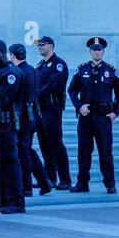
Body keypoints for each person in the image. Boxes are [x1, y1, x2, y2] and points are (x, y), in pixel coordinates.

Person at [68, 37, 119, 194]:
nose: (96, 52)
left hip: (103, 117)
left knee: (105, 152)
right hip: (86, 117)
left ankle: (110, 183)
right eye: (94, 49)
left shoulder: (111, 71)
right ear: (90, 51)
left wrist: (115, 112)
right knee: (83, 151)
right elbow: (71, 90)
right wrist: (79, 106)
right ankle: (82, 183)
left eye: (99, 49)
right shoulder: (82, 70)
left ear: (103, 51)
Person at [8, 43, 53, 197]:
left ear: (12, 55)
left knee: (23, 152)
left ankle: (27, 186)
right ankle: (44, 181)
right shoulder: (32, 69)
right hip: (31, 115)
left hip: (23, 117)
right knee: (26, 149)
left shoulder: (17, 72)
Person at [0, 39, 25, 213]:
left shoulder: (12, 73)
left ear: (3, 53)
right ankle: (3, 200)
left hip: (7, 124)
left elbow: (3, 99)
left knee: (10, 162)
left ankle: (16, 202)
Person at [35, 35, 72, 190]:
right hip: (40, 108)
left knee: (56, 143)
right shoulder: (40, 65)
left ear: (51, 45)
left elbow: (53, 85)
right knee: (44, 144)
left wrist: (36, 96)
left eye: (42, 44)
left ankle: (65, 179)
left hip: (52, 108)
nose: (39, 47)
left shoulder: (59, 65)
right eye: (38, 45)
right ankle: (49, 177)